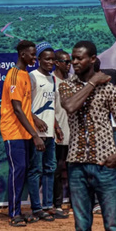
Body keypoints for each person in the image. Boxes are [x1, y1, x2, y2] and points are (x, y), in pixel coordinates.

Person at [59, 40, 116, 231]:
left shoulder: (109, 89)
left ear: (92, 59)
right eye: (73, 58)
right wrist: (91, 82)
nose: (74, 62)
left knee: (113, 227)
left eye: (79, 58)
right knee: (81, 228)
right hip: (77, 166)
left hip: (105, 166)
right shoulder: (67, 86)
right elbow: (70, 107)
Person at [0, 40, 45, 227]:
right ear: (22, 54)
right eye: (32, 54)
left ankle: (18, 210)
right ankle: (14, 213)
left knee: (23, 171)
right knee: (17, 172)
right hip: (13, 132)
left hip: (23, 132)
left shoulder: (25, 75)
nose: (35, 58)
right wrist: (35, 135)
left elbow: (25, 109)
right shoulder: (15, 75)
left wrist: (34, 125)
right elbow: (17, 109)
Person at [27, 44, 63, 220]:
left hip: (49, 133)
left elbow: (52, 107)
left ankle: (48, 205)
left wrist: (56, 126)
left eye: (53, 59)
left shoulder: (52, 79)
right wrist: (36, 121)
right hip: (36, 133)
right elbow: (24, 105)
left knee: (50, 168)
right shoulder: (32, 77)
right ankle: (36, 208)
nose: (51, 62)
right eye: (47, 59)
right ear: (38, 59)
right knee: (36, 170)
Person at [52, 50, 71, 213]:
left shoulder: (72, 81)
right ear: (57, 63)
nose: (69, 65)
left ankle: (75, 201)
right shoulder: (52, 81)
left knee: (73, 169)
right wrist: (56, 127)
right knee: (57, 169)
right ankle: (56, 203)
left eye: (69, 61)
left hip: (73, 133)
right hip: (58, 134)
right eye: (65, 62)